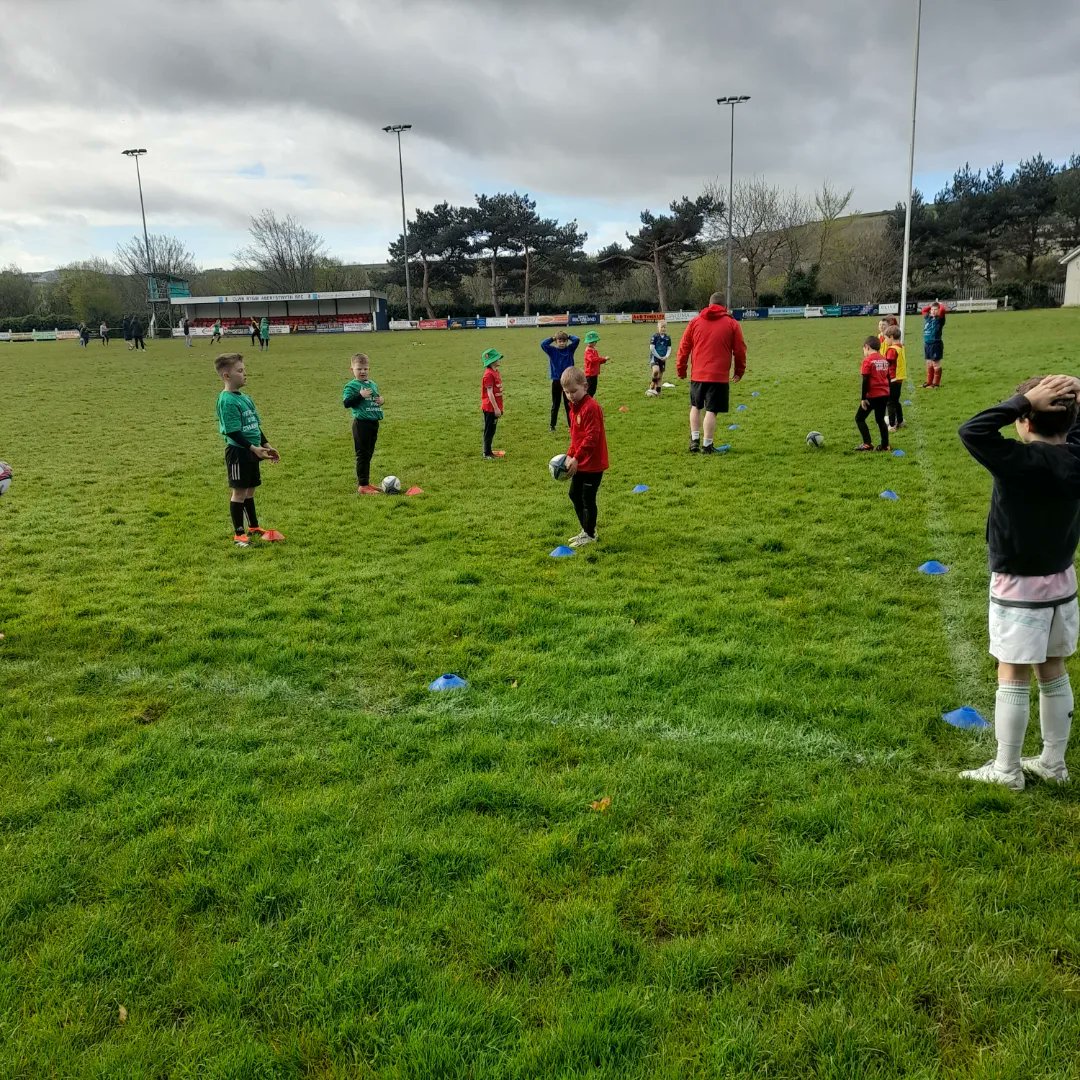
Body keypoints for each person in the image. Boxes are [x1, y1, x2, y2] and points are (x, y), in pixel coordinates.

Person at [957, 374, 1080, 790]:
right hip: (1062, 581)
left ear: (1025, 421)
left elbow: (972, 430)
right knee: (1052, 668)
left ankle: (1007, 770)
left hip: (1019, 585)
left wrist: (1021, 399)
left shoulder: (1017, 461)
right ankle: (1053, 763)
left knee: (1012, 671)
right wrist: (1067, 401)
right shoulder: (1076, 457)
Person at [215, 352, 281, 546]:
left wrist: (266, 446)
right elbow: (233, 432)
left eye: (244, 370)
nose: (245, 374)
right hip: (239, 452)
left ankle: (253, 526)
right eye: (240, 371)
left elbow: (255, 426)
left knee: (251, 490)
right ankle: (239, 534)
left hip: (254, 450)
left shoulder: (245, 398)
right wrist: (252, 448)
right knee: (239, 492)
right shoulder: (227, 401)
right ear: (227, 376)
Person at [676, 292, 747, 453]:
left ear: (709, 304)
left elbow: (683, 348)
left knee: (695, 406)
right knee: (711, 410)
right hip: (719, 376)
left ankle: (694, 440)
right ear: (725, 307)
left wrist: (681, 369)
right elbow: (740, 350)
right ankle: (707, 445)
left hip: (698, 374)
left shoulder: (695, 322)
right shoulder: (732, 324)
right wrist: (739, 370)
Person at [560, 366, 608, 548]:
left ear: (585, 387)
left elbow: (591, 438)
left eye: (574, 391)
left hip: (593, 463)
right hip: (580, 461)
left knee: (587, 498)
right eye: (566, 392)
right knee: (574, 494)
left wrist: (576, 457)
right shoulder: (574, 409)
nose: (570, 396)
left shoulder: (591, 408)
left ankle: (590, 534)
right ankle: (586, 529)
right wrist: (569, 455)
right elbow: (576, 437)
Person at [342, 352, 384, 494]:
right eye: (359, 369)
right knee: (363, 454)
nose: (362, 371)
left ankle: (366, 482)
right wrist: (360, 395)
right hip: (361, 424)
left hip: (373, 423)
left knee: (369, 454)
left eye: (365, 369)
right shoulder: (351, 386)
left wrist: (381, 401)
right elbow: (347, 403)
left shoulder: (372, 384)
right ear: (352, 370)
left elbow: (376, 399)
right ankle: (362, 486)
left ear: (369, 369)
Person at [854, 335, 892, 451]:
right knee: (880, 419)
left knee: (859, 418)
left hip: (872, 396)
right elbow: (888, 377)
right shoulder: (884, 359)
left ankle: (867, 443)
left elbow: (865, 380)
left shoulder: (867, 361)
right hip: (884, 394)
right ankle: (885, 445)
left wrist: (863, 398)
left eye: (863, 349)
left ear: (867, 347)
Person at [541, 330, 580, 431]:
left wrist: (569, 335)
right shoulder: (552, 350)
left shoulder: (570, 349)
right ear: (556, 341)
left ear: (566, 341)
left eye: (564, 341)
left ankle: (571, 425)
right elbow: (543, 344)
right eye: (559, 341)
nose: (562, 343)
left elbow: (577, 340)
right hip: (557, 381)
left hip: (568, 380)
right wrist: (552, 338)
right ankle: (552, 426)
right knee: (555, 404)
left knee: (569, 404)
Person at [480, 347, 504, 459]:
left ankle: (489, 451)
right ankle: (486, 453)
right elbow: (489, 393)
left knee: (492, 430)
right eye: (497, 358)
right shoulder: (488, 374)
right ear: (492, 361)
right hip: (490, 408)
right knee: (489, 430)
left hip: (494, 407)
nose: (499, 359)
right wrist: (496, 408)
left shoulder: (495, 372)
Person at [883, 324, 907, 431]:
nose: (885, 340)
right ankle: (900, 421)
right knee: (896, 401)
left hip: (892, 379)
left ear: (891, 337)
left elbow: (887, 363)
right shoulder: (901, 347)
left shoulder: (891, 350)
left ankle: (892, 425)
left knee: (890, 402)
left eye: (886, 338)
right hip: (899, 378)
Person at [921, 301, 947, 387]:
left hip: (936, 344)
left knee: (936, 363)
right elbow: (924, 310)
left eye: (935, 309)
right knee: (929, 363)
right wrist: (931, 305)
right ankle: (929, 382)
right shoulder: (928, 318)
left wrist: (940, 304)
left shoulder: (940, 319)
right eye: (932, 310)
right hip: (927, 344)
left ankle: (936, 384)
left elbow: (943, 309)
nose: (933, 311)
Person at [647, 320, 672, 396]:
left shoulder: (668, 338)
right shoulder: (654, 337)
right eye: (662, 327)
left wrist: (666, 356)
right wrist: (659, 356)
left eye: (664, 327)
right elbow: (652, 348)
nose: (663, 329)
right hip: (655, 357)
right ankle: (652, 382)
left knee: (660, 376)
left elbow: (669, 348)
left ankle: (658, 392)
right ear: (658, 327)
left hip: (663, 358)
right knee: (655, 371)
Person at [581, 330, 608, 397]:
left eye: (594, 341)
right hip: (590, 374)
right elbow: (592, 360)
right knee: (589, 391)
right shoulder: (588, 351)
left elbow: (597, 360)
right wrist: (603, 358)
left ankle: (589, 402)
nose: (594, 343)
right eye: (592, 342)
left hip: (594, 373)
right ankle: (587, 403)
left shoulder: (593, 350)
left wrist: (604, 360)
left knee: (593, 390)